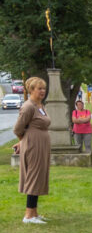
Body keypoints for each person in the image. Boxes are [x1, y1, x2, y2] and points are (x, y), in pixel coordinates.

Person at [13, 76, 51, 225]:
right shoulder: (28, 106)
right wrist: (24, 141)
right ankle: (28, 216)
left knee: (39, 176)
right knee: (34, 177)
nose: (42, 91)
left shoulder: (40, 105)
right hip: (33, 145)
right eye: (39, 88)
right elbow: (18, 128)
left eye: (44, 88)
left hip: (41, 144)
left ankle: (34, 212)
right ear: (31, 90)